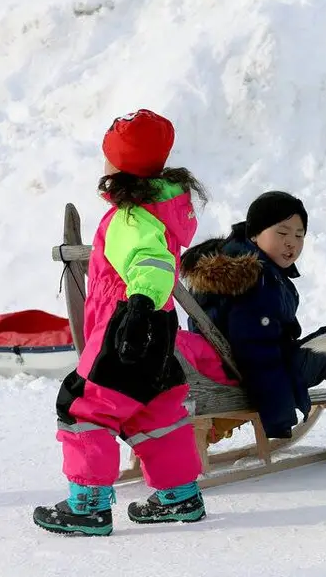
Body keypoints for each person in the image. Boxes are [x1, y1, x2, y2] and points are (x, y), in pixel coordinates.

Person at [34, 109, 210, 536]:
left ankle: (88, 505)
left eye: (108, 156)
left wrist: (138, 308)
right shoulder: (159, 209)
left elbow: (150, 264)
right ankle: (179, 495)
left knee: (84, 404)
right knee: (155, 407)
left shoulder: (131, 218)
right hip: (159, 325)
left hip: (127, 323)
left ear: (118, 166)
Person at [179, 190, 326, 466]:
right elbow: (258, 352)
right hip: (260, 374)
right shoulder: (256, 279)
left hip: (229, 366)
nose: (291, 243)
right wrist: (277, 413)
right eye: (282, 233)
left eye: (299, 235)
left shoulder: (232, 264)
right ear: (256, 233)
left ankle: (212, 428)